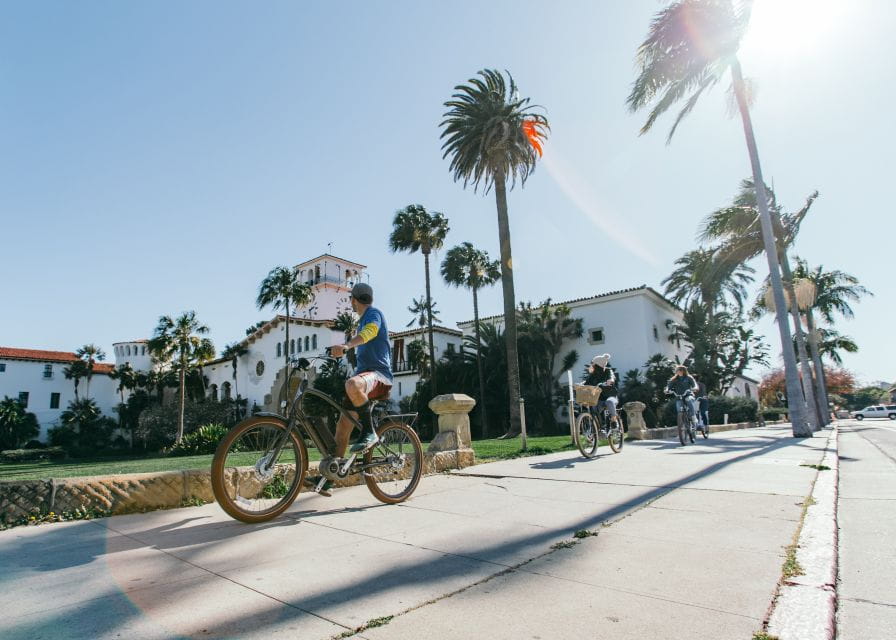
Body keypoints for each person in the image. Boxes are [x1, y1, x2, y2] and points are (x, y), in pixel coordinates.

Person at [306, 282, 393, 496]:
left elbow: (371, 332)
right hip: (366, 378)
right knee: (343, 427)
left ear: (353, 299)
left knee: (353, 384)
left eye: (350, 300)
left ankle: (369, 431)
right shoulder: (362, 321)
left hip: (379, 376)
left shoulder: (373, 315)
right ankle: (330, 479)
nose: (351, 304)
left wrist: (346, 346)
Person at [585, 353, 620, 427]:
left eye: (593, 364)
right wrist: (579, 386)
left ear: (598, 366)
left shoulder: (608, 371)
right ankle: (599, 426)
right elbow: (586, 383)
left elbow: (612, 377)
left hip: (611, 396)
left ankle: (614, 420)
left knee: (609, 402)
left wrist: (610, 380)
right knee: (593, 408)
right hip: (599, 399)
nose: (592, 366)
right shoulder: (592, 375)